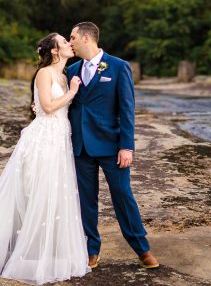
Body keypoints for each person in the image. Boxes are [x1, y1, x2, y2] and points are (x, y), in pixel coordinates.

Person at [0, 33, 89, 285]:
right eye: (64, 41)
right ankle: (25, 253)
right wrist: (71, 92)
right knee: (39, 193)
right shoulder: (45, 73)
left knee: (56, 194)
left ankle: (48, 252)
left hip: (60, 138)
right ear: (56, 51)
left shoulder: (63, 74)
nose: (70, 44)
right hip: (45, 139)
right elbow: (47, 107)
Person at [67, 22, 158, 269]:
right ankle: (90, 250)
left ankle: (142, 248)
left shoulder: (118, 67)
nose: (70, 42)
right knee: (86, 200)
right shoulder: (71, 70)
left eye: (72, 37)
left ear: (86, 38)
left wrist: (126, 147)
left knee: (122, 195)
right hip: (81, 148)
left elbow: (127, 109)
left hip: (112, 146)